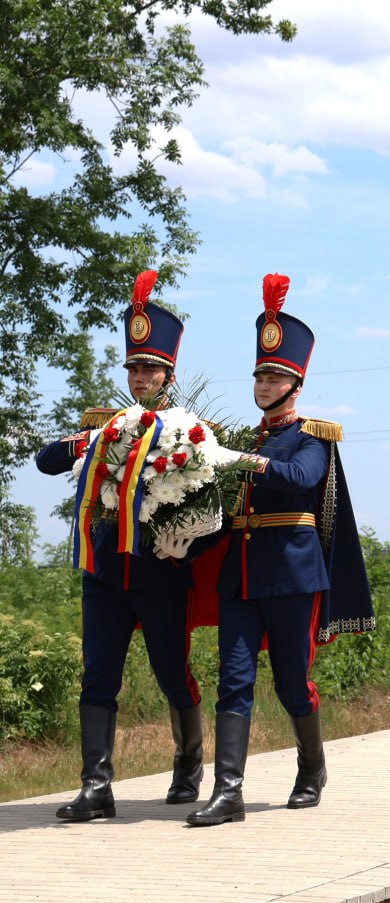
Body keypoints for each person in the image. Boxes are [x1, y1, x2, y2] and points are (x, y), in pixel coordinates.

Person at [188, 274, 375, 826]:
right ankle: (228, 793)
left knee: (293, 682)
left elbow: (298, 479)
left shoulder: (312, 436)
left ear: (295, 384)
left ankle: (311, 768)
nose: (265, 385)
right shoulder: (246, 438)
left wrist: (242, 462)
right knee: (234, 678)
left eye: (275, 377)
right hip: (241, 578)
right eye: (260, 377)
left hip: (293, 576)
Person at [36, 271, 207, 821]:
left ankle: (188, 761)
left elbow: (212, 509)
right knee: (98, 674)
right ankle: (96, 786)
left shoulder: (190, 431)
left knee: (170, 672)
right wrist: (91, 439)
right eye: (133, 367)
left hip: (159, 574)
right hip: (106, 572)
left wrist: (186, 544)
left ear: (169, 374)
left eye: (150, 368)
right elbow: (46, 460)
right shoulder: (105, 426)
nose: (140, 376)